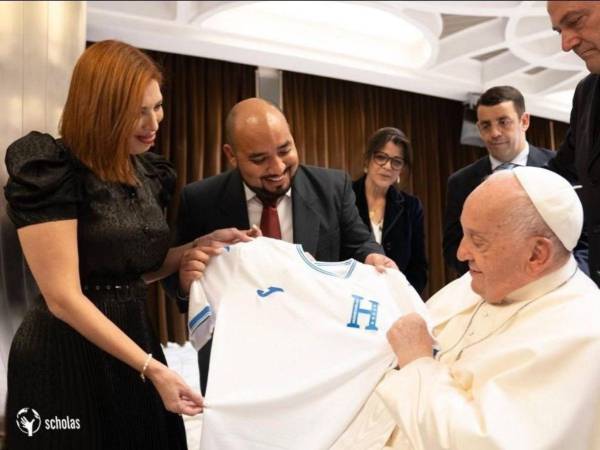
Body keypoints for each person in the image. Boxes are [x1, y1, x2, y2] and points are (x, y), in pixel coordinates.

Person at [3, 40, 203, 449]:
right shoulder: (51, 168)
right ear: (99, 108)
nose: (153, 123)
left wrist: (201, 246)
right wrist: (153, 369)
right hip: (64, 352)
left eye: (157, 106)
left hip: (134, 342)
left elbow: (135, 270)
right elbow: (62, 297)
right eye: (138, 111)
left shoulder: (148, 173)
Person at [333, 167, 600, 450]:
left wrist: (416, 363)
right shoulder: (478, 280)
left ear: (536, 254)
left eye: (478, 240)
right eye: (463, 234)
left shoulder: (583, 334)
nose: (461, 253)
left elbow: (483, 443)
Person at [168, 97, 393, 394]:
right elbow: (177, 284)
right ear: (231, 155)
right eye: (259, 159)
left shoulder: (332, 187)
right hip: (234, 365)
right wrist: (185, 281)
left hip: (317, 357)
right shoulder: (200, 200)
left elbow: (360, 243)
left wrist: (374, 258)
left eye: (285, 150)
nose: (277, 168)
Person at [443, 86, 555, 275]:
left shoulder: (558, 169)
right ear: (478, 128)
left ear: (524, 121)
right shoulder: (460, 182)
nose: (495, 133)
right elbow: (453, 247)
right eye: (486, 125)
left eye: (504, 122)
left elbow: (581, 236)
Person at [547, 1, 600, 287]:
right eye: (559, 31)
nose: (566, 44)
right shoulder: (587, 92)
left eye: (576, 20)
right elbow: (562, 170)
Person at [353, 127, 427, 294]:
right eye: (381, 157)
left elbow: (418, 267)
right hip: (349, 297)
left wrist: (402, 295)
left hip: (395, 301)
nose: (388, 166)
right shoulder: (346, 198)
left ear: (401, 168)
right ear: (367, 160)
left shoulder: (411, 207)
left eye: (396, 161)